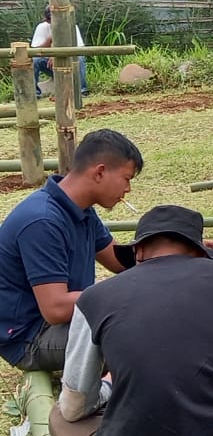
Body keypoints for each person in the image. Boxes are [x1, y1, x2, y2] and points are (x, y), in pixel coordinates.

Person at [48, 205, 213, 436]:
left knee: (59, 414)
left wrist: (108, 387)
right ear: (200, 252)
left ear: (138, 253)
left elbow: (75, 407)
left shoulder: (93, 298)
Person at [0, 129, 141, 372]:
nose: (127, 189)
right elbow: (55, 309)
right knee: (142, 335)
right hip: (31, 337)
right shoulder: (42, 221)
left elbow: (119, 260)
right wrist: (128, 293)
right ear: (99, 172)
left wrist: (176, 250)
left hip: (65, 322)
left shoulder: (81, 209)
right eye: (127, 179)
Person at [31, 5, 89, 98]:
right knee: (35, 60)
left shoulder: (72, 26)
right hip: (50, 65)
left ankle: (82, 90)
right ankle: (34, 93)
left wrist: (55, 55)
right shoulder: (42, 27)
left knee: (80, 58)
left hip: (69, 61)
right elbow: (36, 50)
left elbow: (78, 49)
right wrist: (50, 41)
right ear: (47, 20)